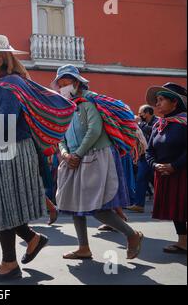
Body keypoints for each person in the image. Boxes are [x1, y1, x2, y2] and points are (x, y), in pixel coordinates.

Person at [0, 35, 76, 281]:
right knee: (2, 205)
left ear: (0, 60)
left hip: (9, 149)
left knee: (1, 205)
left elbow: (8, 122)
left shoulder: (8, 85)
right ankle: (32, 239)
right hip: (3, 149)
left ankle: (10, 263)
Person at [52, 64, 144, 260]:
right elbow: (61, 135)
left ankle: (132, 235)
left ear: (76, 82)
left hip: (96, 157)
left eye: (65, 82)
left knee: (98, 208)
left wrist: (77, 154)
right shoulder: (65, 108)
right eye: (59, 84)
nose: (62, 87)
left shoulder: (88, 104)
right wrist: (66, 154)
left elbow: (94, 131)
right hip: (74, 160)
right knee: (74, 204)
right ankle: (83, 247)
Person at [145, 83, 187, 254]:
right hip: (164, 173)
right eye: (157, 100)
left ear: (174, 103)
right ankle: (183, 241)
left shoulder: (184, 123)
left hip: (183, 172)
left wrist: (174, 166)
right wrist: (156, 165)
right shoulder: (158, 125)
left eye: (161, 100)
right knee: (177, 209)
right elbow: (149, 151)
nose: (157, 104)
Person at [127, 105, 159, 213]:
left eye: (141, 113)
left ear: (147, 113)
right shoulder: (143, 123)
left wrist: (139, 125)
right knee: (141, 179)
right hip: (144, 156)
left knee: (153, 181)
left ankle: (155, 206)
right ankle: (139, 205)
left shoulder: (157, 122)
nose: (140, 115)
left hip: (155, 157)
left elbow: (155, 130)